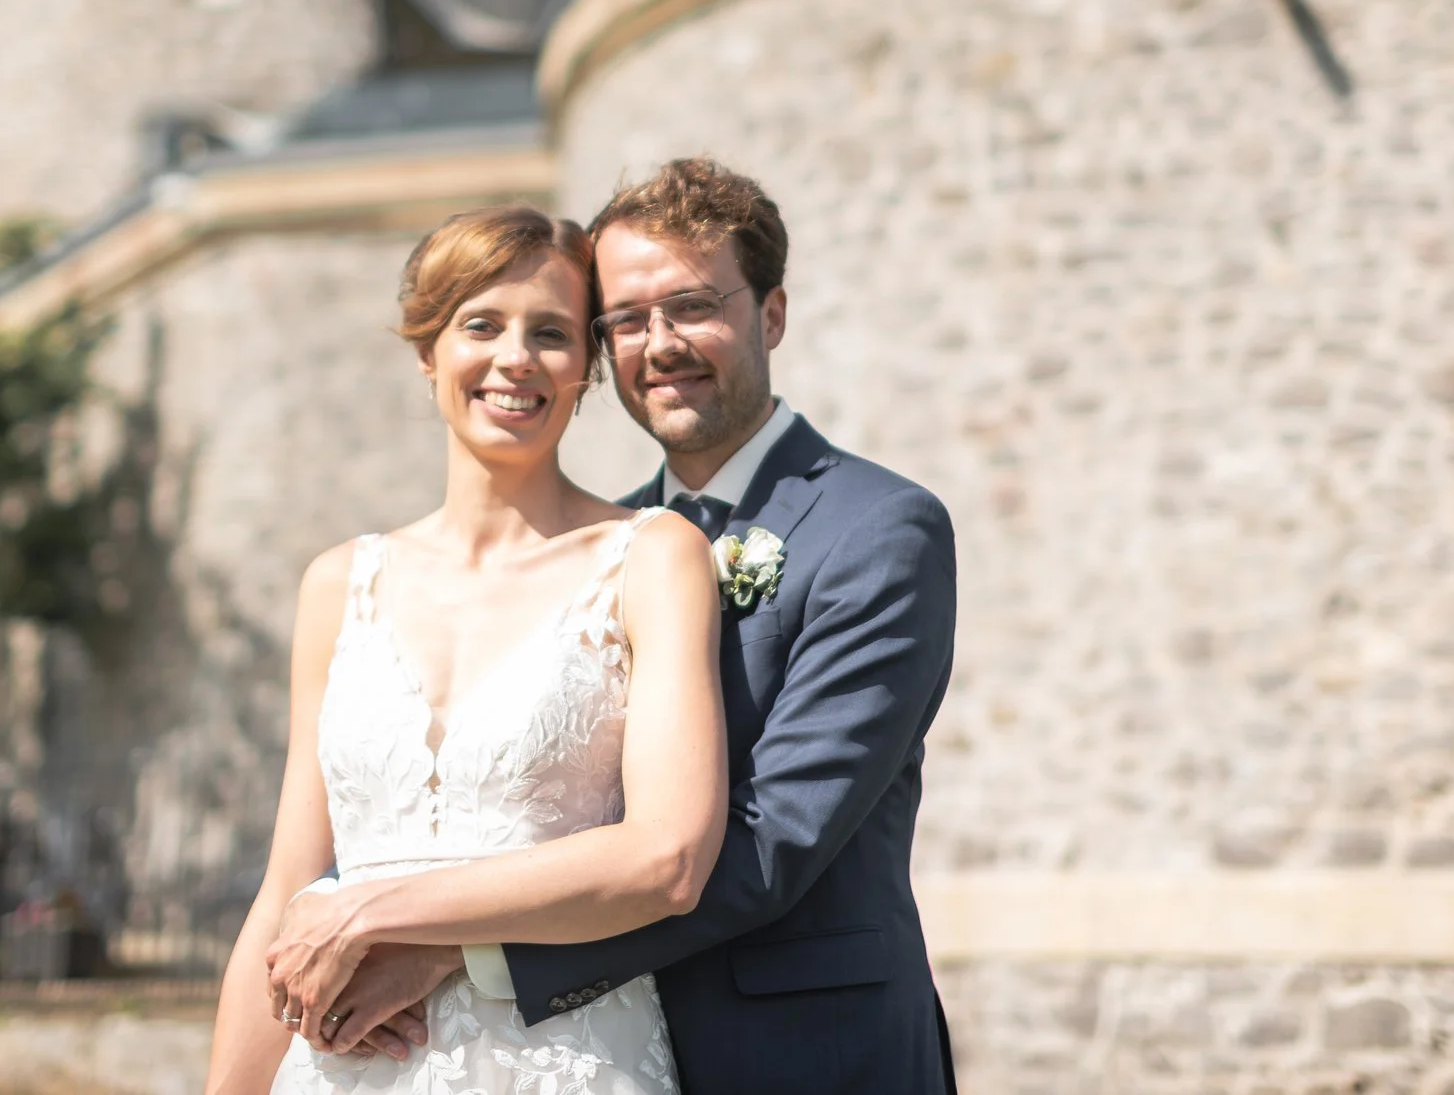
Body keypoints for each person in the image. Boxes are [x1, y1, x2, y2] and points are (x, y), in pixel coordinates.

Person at [281, 159, 961, 1095]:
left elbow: (771, 841)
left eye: (692, 306)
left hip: (805, 1051)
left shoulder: (877, 528)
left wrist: (456, 950)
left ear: (771, 315)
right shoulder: (616, 545)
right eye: (629, 319)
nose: (661, 342)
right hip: (600, 1043)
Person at [204, 205, 722, 1095]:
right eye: (481, 324)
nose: (515, 357)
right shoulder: (339, 583)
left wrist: (368, 911)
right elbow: (284, 891)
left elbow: (665, 858)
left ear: (585, 371)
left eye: (551, 333)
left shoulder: (652, 556)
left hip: (568, 1065)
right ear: (427, 353)